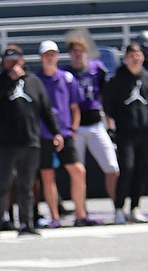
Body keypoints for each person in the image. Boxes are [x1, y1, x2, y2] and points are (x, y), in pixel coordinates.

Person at [0, 46, 62, 235]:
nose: (12, 65)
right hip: (5, 142)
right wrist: (9, 82)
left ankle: (26, 223)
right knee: (2, 183)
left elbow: (45, 109)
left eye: (15, 61)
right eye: (8, 62)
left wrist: (56, 132)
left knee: (26, 185)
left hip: (30, 140)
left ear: (22, 61)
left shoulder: (34, 82)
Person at [35, 40, 97, 227]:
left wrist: (73, 129)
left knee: (78, 171)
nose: (50, 57)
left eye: (53, 53)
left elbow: (74, 107)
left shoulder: (67, 78)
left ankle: (80, 214)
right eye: (47, 54)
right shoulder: (36, 80)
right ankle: (55, 217)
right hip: (44, 134)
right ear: (41, 57)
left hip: (65, 133)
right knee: (47, 175)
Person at [64, 38, 120, 205]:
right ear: (70, 54)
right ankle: (81, 211)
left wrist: (110, 125)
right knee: (78, 172)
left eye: (81, 51)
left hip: (96, 123)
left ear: (86, 53)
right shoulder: (66, 74)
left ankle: (117, 207)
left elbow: (105, 98)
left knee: (112, 167)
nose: (78, 55)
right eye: (75, 51)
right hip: (75, 127)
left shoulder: (97, 69)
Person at [103, 43, 148, 224]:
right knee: (127, 168)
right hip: (125, 133)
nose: (135, 58)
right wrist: (112, 126)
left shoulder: (146, 78)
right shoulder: (117, 80)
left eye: (138, 54)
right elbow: (108, 106)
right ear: (125, 58)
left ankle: (135, 207)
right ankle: (119, 208)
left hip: (144, 132)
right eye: (131, 55)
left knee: (141, 170)